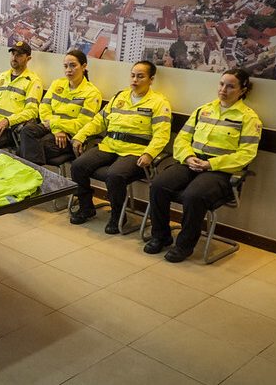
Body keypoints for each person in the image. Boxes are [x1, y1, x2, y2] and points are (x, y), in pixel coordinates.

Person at [144, 69, 262, 262]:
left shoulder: (248, 118)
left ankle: (184, 246)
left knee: (193, 196)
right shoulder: (203, 110)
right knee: (158, 185)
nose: (223, 89)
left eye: (230, 86)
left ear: (242, 90)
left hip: (218, 171)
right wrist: (188, 157)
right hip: (191, 162)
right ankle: (161, 236)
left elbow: (246, 155)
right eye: (221, 84)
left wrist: (210, 164)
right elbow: (182, 138)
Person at [70, 60, 172, 234]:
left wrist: (149, 154)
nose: (135, 80)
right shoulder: (120, 97)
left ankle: (118, 215)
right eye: (133, 75)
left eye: (140, 76)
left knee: (115, 175)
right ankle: (86, 207)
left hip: (135, 151)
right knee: (78, 166)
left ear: (151, 79)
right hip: (110, 145)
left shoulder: (159, 103)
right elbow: (99, 121)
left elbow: (161, 135)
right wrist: (80, 135)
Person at [19, 50, 102, 165]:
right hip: (50, 127)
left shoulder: (92, 93)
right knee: (27, 131)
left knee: (28, 148)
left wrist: (56, 124)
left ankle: (34, 172)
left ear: (83, 66)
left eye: (73, 65)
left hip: (69, 135)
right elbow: (44, 108)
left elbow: (83, 123)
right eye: (66, 66)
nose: (68, 70)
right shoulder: (57, 84)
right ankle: (35, 171)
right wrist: (56, 129)